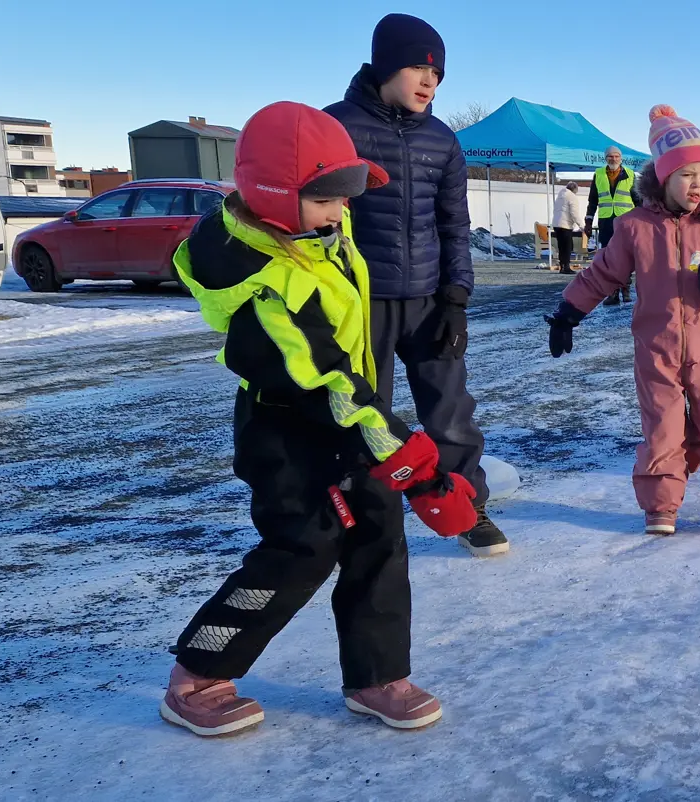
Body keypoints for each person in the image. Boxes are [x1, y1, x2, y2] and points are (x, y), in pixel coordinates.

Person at [161, 102, 476, 737]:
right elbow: (323, 378)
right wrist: (413, 462)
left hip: (346, 415)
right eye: (325, 198)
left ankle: (376, 673)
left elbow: (345, 366)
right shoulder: (264, 286)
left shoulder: (314, 233)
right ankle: (197, 671)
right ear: (271, 194)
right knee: (305, 544)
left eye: (345, 196)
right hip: (285, 429)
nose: (340, 212)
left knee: (378, 530)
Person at [325, 13, 507, 558]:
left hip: (429, 299)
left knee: (449, 411)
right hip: (363, 301)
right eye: (417, 67)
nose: (429, 81)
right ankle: (366, 517)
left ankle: (467, 508)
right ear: (385, 65)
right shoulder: (336, 129)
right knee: (365, 412)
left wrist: (456, 299)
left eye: (437, 74)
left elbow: (454, 225)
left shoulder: (442, 140)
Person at [544, 106, 700, 535]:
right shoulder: (634, 227)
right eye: (686, 175)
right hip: (657, 348)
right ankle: (661, 504)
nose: (696, 185)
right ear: (663, 177)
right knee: (662, 426)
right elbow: (603, 273)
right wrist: (569, 311)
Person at [587, 146, 640, 305]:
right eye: (610, 156)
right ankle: (613, 293)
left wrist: (641, 222)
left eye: (617, 156)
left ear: (621, 158)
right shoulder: (598, 174)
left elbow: (638, 201)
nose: (614, 159)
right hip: (606, 222)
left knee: (626, 257)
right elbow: (593, 201)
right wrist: (588, 221)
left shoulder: (630, 175)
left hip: (625, 223)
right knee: (609, 258)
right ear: (605, 158)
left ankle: (626, 289)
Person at [552, 181, 584, 273]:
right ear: (575, 190)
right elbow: (574, 214)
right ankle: (566, 267)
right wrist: (581, 226)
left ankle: (562, 266)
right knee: (567, 247)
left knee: (561, 247)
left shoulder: (560, 196)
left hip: (556, 224)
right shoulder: (572, 197)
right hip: (565, 225)